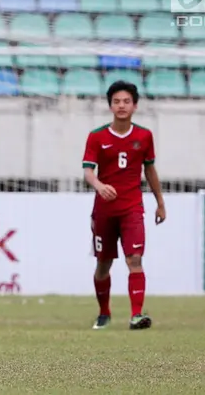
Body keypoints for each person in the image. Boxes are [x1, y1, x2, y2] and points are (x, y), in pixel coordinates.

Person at [82, 80, 166, 331]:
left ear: (135, 106)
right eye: (117, 101)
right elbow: (87, 171)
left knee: (135, 259)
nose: (121, 105)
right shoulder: (97, 137)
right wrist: (99, 185)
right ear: (110, 106)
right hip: (104, 212)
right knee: (103, 265)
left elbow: (150, 170)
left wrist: (160, 203)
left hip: (132, 209)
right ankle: (104, 312)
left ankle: (136, 315)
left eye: (126, 101)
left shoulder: (144, 136)